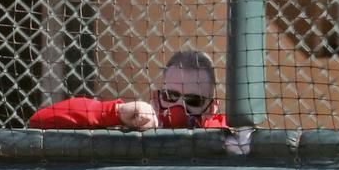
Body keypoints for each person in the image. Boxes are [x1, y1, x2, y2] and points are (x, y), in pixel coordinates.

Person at [28, 50, 228, 130]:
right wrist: (118, 113)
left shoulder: (224, 132)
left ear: (212, 108)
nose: (178, 107)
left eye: (193, 100)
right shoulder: (140, 126)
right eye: (171, 96)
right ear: (156, 99)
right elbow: (40, 120)